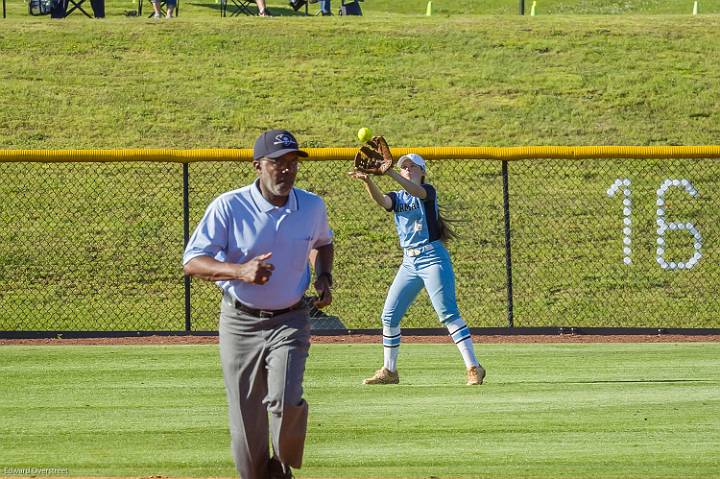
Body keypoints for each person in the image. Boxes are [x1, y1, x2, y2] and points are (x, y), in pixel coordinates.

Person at [183, 129, 334, 479]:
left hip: (290, 320)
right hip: (240, 323)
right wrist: (240, 270)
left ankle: (282, 472)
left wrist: (324, 277)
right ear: (257, 166)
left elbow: (323, 243)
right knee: (247, 426)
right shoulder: (229, 206)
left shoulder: (311, 206)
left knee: (284, 400)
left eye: (292, 163)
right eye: (276, 163)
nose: (286, 170)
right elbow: (193, 261)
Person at [348, 153, 486, 386]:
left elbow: (417, 192)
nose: (408, 169)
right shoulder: (398, 196)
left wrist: (389, 172)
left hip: (432, 257)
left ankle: (474, 367)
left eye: (413, 166)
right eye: (404, 167)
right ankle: (389, 371)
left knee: (447, 313)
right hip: (409, 262)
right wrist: (367, 180)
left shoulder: (427, 191)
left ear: (423, 172)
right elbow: (384, 202)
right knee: (389, 316)